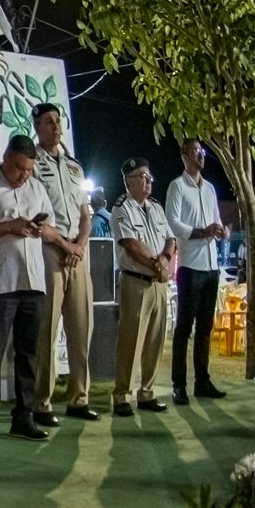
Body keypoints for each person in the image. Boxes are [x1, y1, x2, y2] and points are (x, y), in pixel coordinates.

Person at [0, 134, 59, 445]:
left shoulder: (37, 188)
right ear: (5, 158)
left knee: (28, 354)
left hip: (33, 282)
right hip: (0, 283)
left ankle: (24, 417)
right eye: (19, 168)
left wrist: (41, 228)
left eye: (29, 170)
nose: (24, 175)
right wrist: (10, 225)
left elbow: (51, 228)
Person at [31, 104, 98, 425]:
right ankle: (41, 402)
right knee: (46, 329)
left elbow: (86, 214)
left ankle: (79, 398)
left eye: (57, 121)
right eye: (48, 121)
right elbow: (37, 215)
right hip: (50, 250)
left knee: (82, 327)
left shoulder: (74, 167)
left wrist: (80, 245)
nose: (55, 126)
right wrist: (64, 244)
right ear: (37, 126)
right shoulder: (32, 162)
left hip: (77, 253)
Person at [165, 139, 228, 404]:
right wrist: (202, 231)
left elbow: (218, 221)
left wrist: (222, 231)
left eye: (202, 152)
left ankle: (202, 380)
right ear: (184, 156)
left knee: (205, 327)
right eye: (195, 152)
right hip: (190, 266)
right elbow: (172, 222)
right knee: (184, 327)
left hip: (211, 266)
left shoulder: (210, 188)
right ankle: (179, 384)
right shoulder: (177, 186)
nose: (200, 156)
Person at [111, 158, 176, 416]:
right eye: (143, 177)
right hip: (136, 282)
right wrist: (156, 264)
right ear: (129, 181)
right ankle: (122, 395)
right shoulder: (122, 208)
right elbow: (130, 244)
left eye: (150, 177)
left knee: (155, 341)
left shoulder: (157, 207)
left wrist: (166, 259)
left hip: (159, 284)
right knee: (131, 341)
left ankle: (147, 392)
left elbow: (170, 238)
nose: (149, 181)